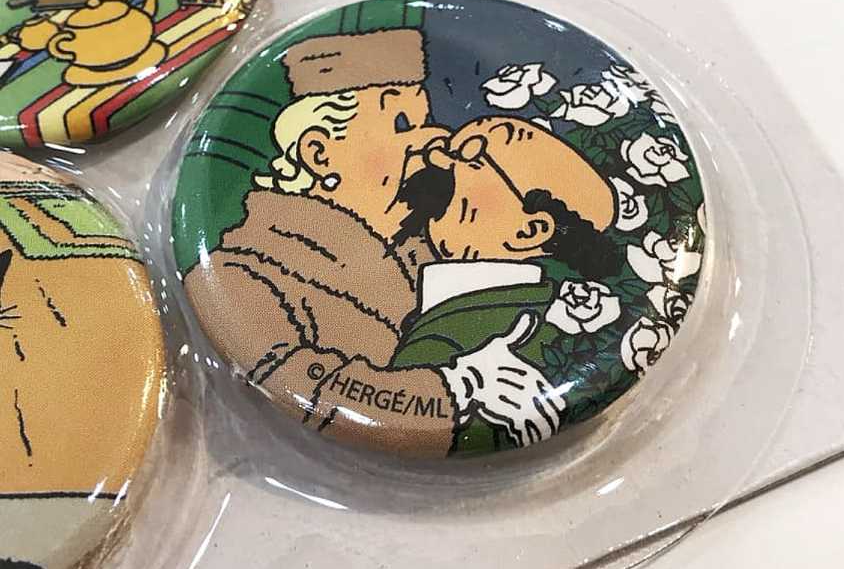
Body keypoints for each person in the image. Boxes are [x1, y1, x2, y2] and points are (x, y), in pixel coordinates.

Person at [182, 30, 565, 454]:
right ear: (319, 154)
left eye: (428, 121)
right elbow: (300, 378)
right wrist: (457, 389)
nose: (433, 142)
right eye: (403, 125)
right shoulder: (240, 273)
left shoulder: (433, 258)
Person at [391, 116, 620, 453]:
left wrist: (461, 385)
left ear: (529, 231)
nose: (438, 156)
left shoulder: (510, 330)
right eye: (453, 143)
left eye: (473, 155)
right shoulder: (439, 296)